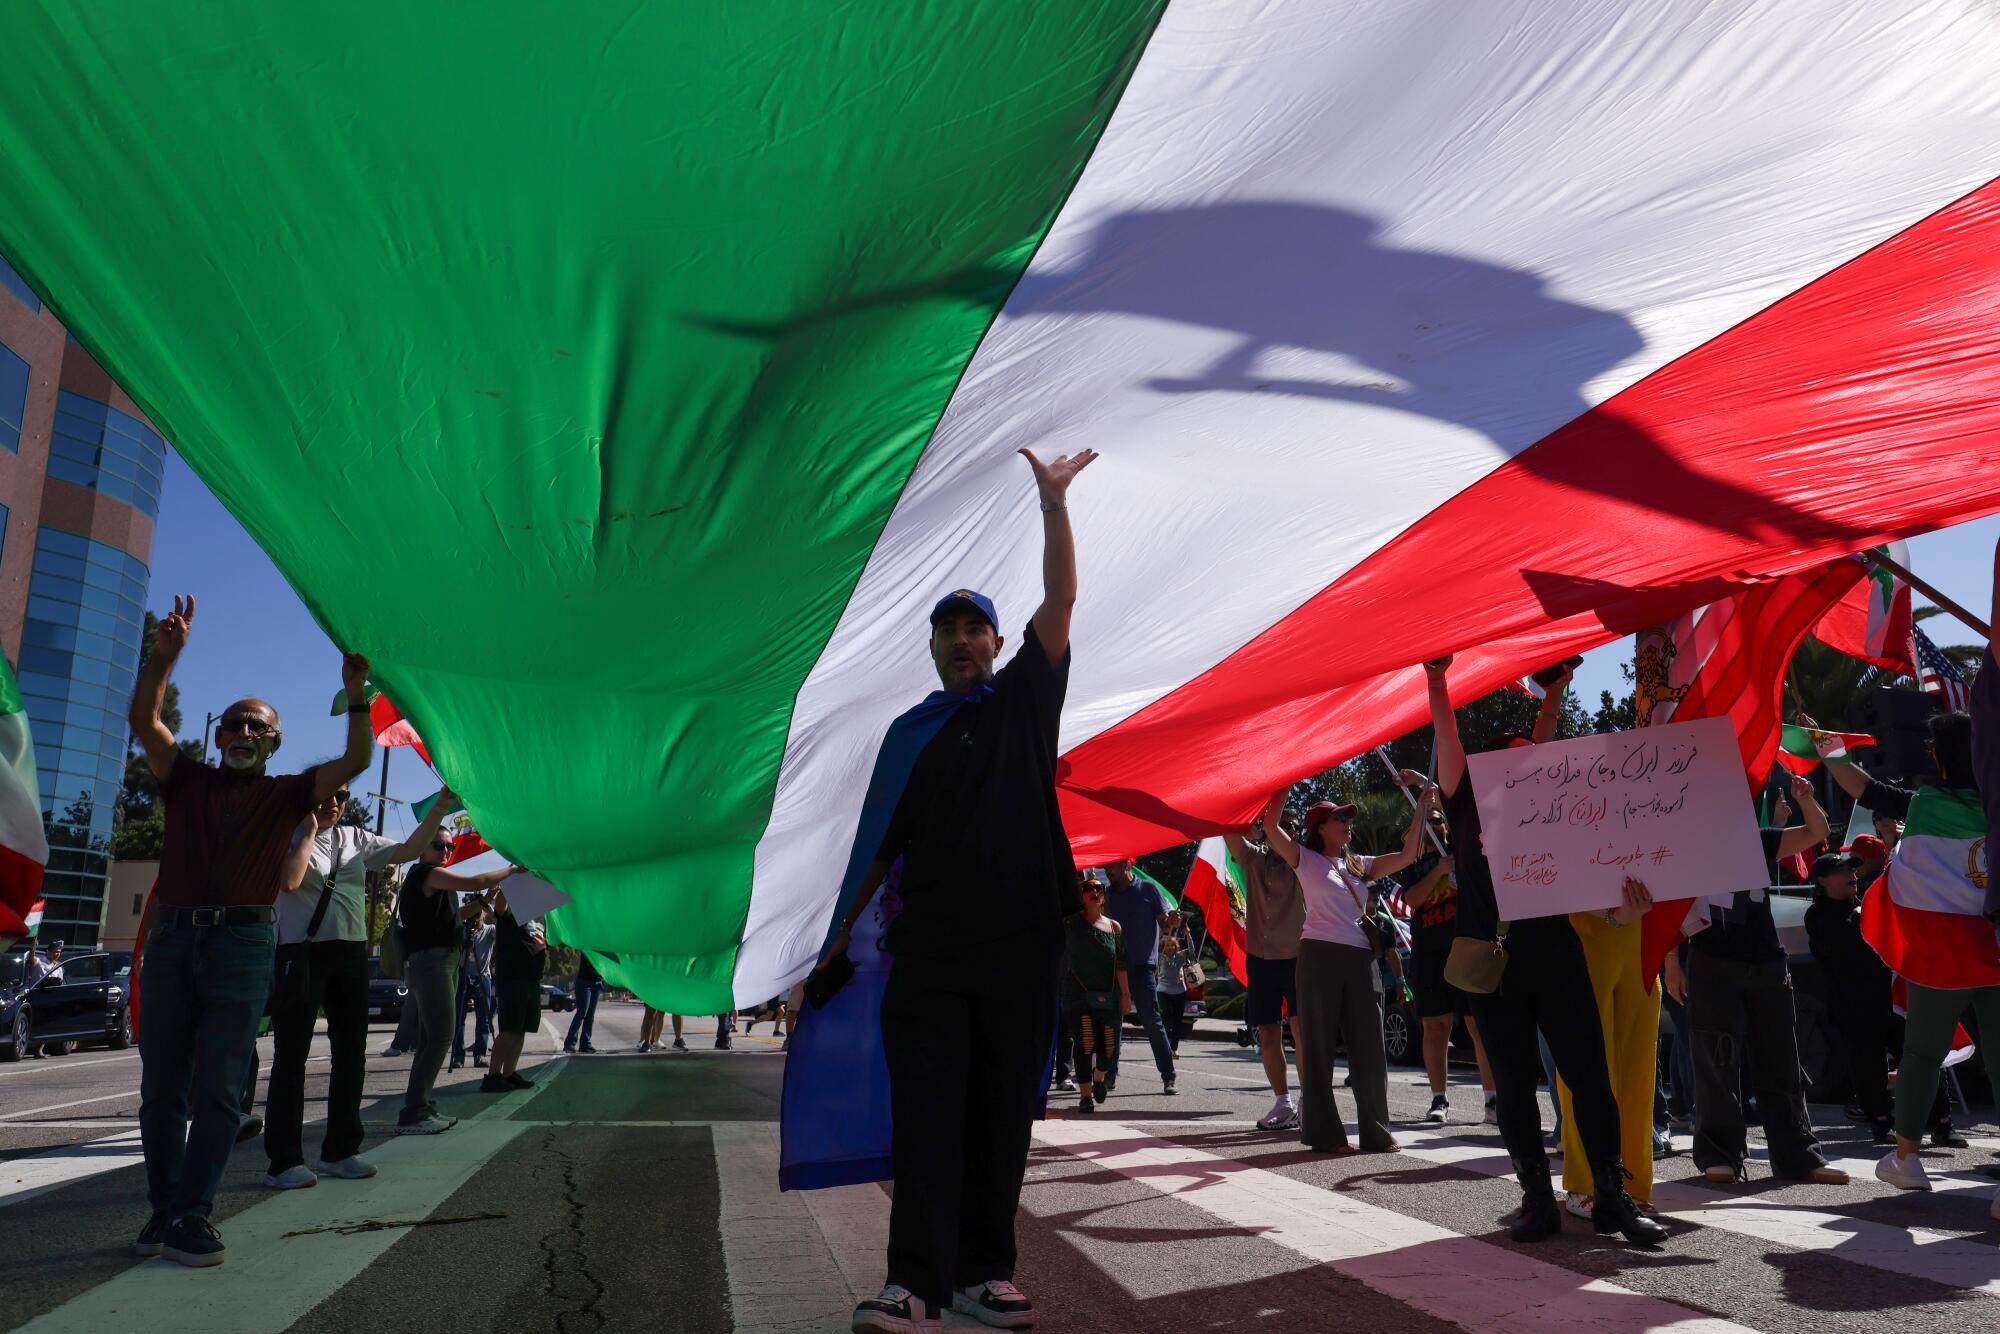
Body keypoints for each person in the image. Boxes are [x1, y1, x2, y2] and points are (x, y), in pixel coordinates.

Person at [822, 445, 1094, 1334]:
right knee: (929, 1121)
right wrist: (830, 947)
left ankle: (986, 1274)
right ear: (934, 651)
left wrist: (1053, 506)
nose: (964, 641)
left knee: (1001, 1116)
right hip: (930, 954)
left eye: (976, 627)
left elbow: (1061, 600)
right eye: (949, 631)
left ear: (998, 644)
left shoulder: (1025, 702)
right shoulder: (910, 736)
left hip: (1022, 947)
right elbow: (873, 848)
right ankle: (914, 1286)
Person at [126, 594, 376, 1267]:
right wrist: (164, 658)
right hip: (175, 941)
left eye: (256, 727)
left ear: (274, 741)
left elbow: (355, 760)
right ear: (219, 735)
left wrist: (357, 696)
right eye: (234, 724)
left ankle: (193, 1214)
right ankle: (165, 1206)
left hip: (243, 944)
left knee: (220, 1088)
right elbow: (144, 720)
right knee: (160, 1089)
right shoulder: (186, 779)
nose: (242, 732)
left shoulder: (289, 793)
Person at [1425, 655, 1667, 1246]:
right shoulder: (1465, 801)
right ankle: (1537, 1198)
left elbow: (1589, 886)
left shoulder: (1557, 812)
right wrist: (1437, 680)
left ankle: (1612, 1197)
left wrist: (1621, 913)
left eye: (1527, 759)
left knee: (1591, 1079)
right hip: (1494, 962)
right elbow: (1448, 735)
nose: (1522, 766)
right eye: (1509, 758)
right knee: (1512, 1085)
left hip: (1557, 954)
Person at [1825, 709, 2000, 1192]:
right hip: (1995, 945)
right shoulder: (1996, 802)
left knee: (1921, 1053)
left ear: (1940, 759)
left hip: (1941, 953)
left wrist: (1830, 750)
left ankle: (1907, 1159)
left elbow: (1863, 788)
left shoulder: (1923, 804)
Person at [262, 781, 455, 1190]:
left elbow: (406, 851)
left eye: (343, 795)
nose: (335, 802)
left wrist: (438, 809)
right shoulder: (284, 834)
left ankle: (340, 1151)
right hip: (301, 952)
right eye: (326, 793)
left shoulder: (355, 838)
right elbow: (290, 882)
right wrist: (309, 831)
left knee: (351, 1054)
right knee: (291, 1057)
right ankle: (284, 1160)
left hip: (349, 954)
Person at [1674, 769, 1848, 1187]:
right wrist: (1670, 964)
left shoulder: (1759, 839)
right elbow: (1669, 908)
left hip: (1766, 958)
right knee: (1716, 1057)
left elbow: (1817, 831)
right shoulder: (1683, 845)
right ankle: (1720, 1155)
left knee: (1782, 1057)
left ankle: (1799, 1156)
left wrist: (1805, 797)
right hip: (1710, 956)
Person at [1265, 782, 1427, 1156]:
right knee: (1319, 1046)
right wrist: (1285, 785)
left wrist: (1421, 808)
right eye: (1340, 818)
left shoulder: (1359, 864)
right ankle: (1325, 1134)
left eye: (1348, 818)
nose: (1348, 823)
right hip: (1319, 954)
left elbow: (1408, 854)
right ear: (1320, 826)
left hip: (1359, 958)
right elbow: (1271, 828)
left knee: (1370, 1048)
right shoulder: (1304, 857)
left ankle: (1377, 1133)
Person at [394, 840, 519, 1134]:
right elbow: (475, 879)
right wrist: (510, 870)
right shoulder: (426, 873)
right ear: (422, 850)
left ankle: (418, 1105)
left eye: (449, 847)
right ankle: (415, 1111)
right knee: (441, 1037)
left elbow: (455, 917)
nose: (446, 851)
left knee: (430, 1039)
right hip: (433, 961)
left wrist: (485, 901)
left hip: (441, 960)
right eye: (438, 845)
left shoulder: (433, 881)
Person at [1556, 876, 1663, 1216]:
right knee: (1584, 1071)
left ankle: (1633, 1184)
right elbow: (1552, 879)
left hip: (1641, 947)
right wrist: (1613, 915)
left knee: (1639, 1074)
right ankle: (1583, 1185)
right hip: (1584, 943)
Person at [1396, 810, 1498, 1126]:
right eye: (1426, 819)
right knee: (1435, 1027)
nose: (1433, 824)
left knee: (1478, 1026)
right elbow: (1412, 899)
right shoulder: (1413, 862)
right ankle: (1439, 1098)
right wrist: (1438, 871)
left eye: (1438, 819)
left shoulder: (1462, 850)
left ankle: (1493, 1100)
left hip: (1466, 946)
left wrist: (1428, 791)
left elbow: (1460, 803)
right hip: (1429, 953)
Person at [1225, 802, 1308, 1131]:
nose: (1284, 829)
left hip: (1298, 958)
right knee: (1268, 1033)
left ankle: (1309, 1100)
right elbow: (1226, 831)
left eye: (1291, 825)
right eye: (1278, 823)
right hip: (1261, 959)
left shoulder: (1304, 862)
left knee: (1303, 1032)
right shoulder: (1253, 858)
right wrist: (1247, 823)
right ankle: (1284, 1103)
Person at [1803, 850, 1896, 1143]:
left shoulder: (1864, 905)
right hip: (1854, 1004)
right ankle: (1881, 1121)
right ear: (1822, 880)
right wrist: (1860, 920)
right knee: (1868, 1064)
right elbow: (1841, 953)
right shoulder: (1817, 915)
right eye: (1843, 872)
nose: (1852, 876)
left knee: (1916, 1055)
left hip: (1889, 997)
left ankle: (1940, 1122)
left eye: (1853, 871)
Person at [1101, 859, 1179, 1094]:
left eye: (1111, 866)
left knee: (1153, 1023)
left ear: (1127, 864)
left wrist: (1173, 922)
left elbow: (1165, 925)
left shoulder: (1147, 889)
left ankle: (1168, 1077)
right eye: (1106, 867)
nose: (1108, 871)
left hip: (1143, 967)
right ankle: (1110, 1076)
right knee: (1113, 1023)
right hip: (1115, 968)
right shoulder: (1107, 895)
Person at [1061, 879, 1129, 1113]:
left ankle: (1099, 1076)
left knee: (1109, 1050)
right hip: (1078, 995)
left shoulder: (1114, 927)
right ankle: (1086, 1096)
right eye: (1088, 889)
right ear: (1080, 894)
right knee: (1086, 1042)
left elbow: (1121, 963)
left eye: (1099, 889)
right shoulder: (1070, 924)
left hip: (1109, 996)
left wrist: (1126, 995)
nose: (1094, 892)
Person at [482, 887, 546, 1092]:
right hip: (512, 978)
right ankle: (493, 1076)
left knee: (520, 1030)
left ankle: (509, 1073)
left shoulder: (539, 918)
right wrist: (512, 881)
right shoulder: (512, 911)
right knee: (509, 1029)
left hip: (531, 978)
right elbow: (500, 906)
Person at [451, 903, 496, 1070]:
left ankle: (480, 1054)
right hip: (463, 975)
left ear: (484, 915)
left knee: (484, 1019)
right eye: (473, 913)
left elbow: (503, 928)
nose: (475, 917)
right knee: (459, 1019)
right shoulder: (461, 930)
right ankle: (457, 1056)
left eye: (479, 913)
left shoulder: (490, 930)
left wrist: (490, 910)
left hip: (482, 976)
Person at [1155, 916, 1194, 1055]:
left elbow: (1192, 951)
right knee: (1165, 1018)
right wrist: (1167, 929)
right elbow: (1155, 943)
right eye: (1168, 945)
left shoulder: (1181, 956)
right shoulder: (1160, 957)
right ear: (1163, 947)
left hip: (1179, 992)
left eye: (1172, 945)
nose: (1170, 947)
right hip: (1163, 992)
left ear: (1176, 946)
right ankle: (1165, 1047)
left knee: (1177, 1021)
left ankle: (1174, 1049)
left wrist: (1188, 934)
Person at [564, 953, 603, 1054]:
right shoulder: (587, 940)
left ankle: (585, 1044)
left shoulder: (605, 943)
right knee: (582, 1013)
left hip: (597, 982)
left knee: (590, 1016)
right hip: (584, 981)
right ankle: (570, 1044)